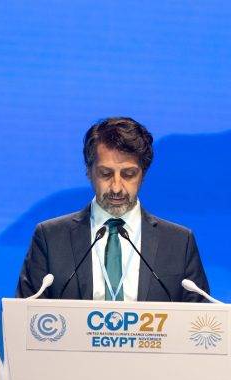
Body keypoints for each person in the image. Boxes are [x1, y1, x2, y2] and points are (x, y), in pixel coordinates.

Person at [16, 117, 210, 302]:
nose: (116, 187)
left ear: (143, 174)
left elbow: (201, 319)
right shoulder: (50, 238)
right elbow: (24, 314)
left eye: (129, 174)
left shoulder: (179, 243)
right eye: (106, 173)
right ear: (89, 172)